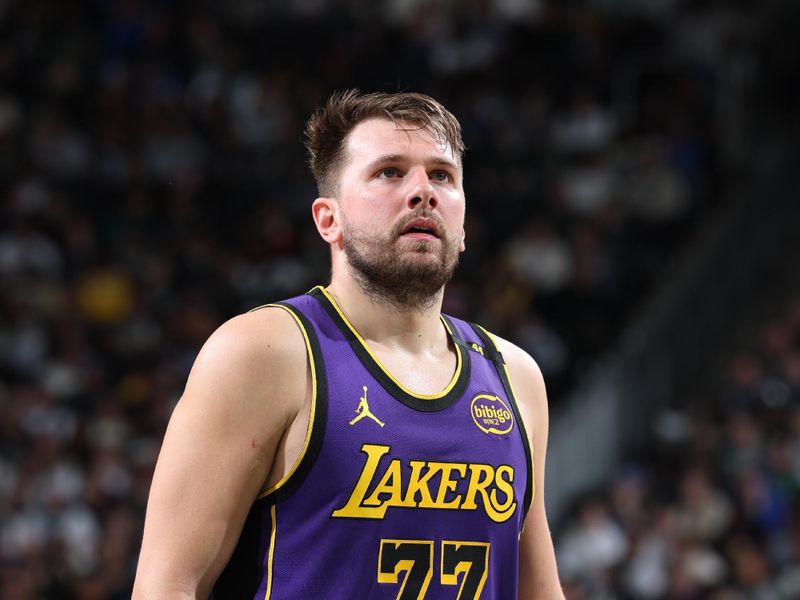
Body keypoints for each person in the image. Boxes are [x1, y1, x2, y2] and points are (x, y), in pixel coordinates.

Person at [132, 90, 564, 599]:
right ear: (327, 219)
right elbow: (168, 586)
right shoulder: (265, 352)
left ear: (464, 224)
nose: (422, 191)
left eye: (442, 175)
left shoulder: (514, 374)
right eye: (389, 172)